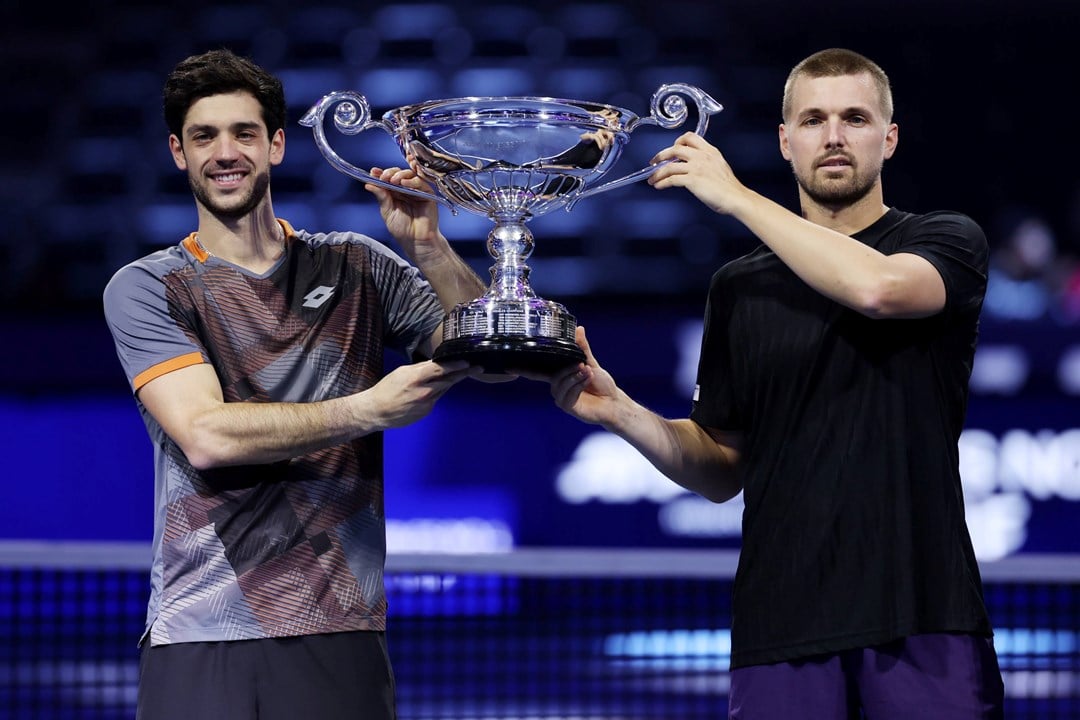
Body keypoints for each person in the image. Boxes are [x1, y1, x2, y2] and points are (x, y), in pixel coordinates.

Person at [528, 48, 1005, 718]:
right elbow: (722, 468)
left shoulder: (945, 242)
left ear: (888, 137)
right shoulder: (740, 287)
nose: (834, 135)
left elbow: (876, 289)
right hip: (780, 628)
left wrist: (736, 196)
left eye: (855, 117)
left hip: (924, 617)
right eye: (813, 119)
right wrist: (623, 413)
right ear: (786, 140)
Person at [102, 48, 488, 720]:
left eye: (244, 133)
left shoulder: (359, 265)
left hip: (341, 630)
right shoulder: (149, 288)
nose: (226, 152)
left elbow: (486, 352)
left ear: (276, 144)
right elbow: (205, 435)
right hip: (204, 630)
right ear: (177, 152)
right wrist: (370, 408)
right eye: (204, 136)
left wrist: (428, 244)